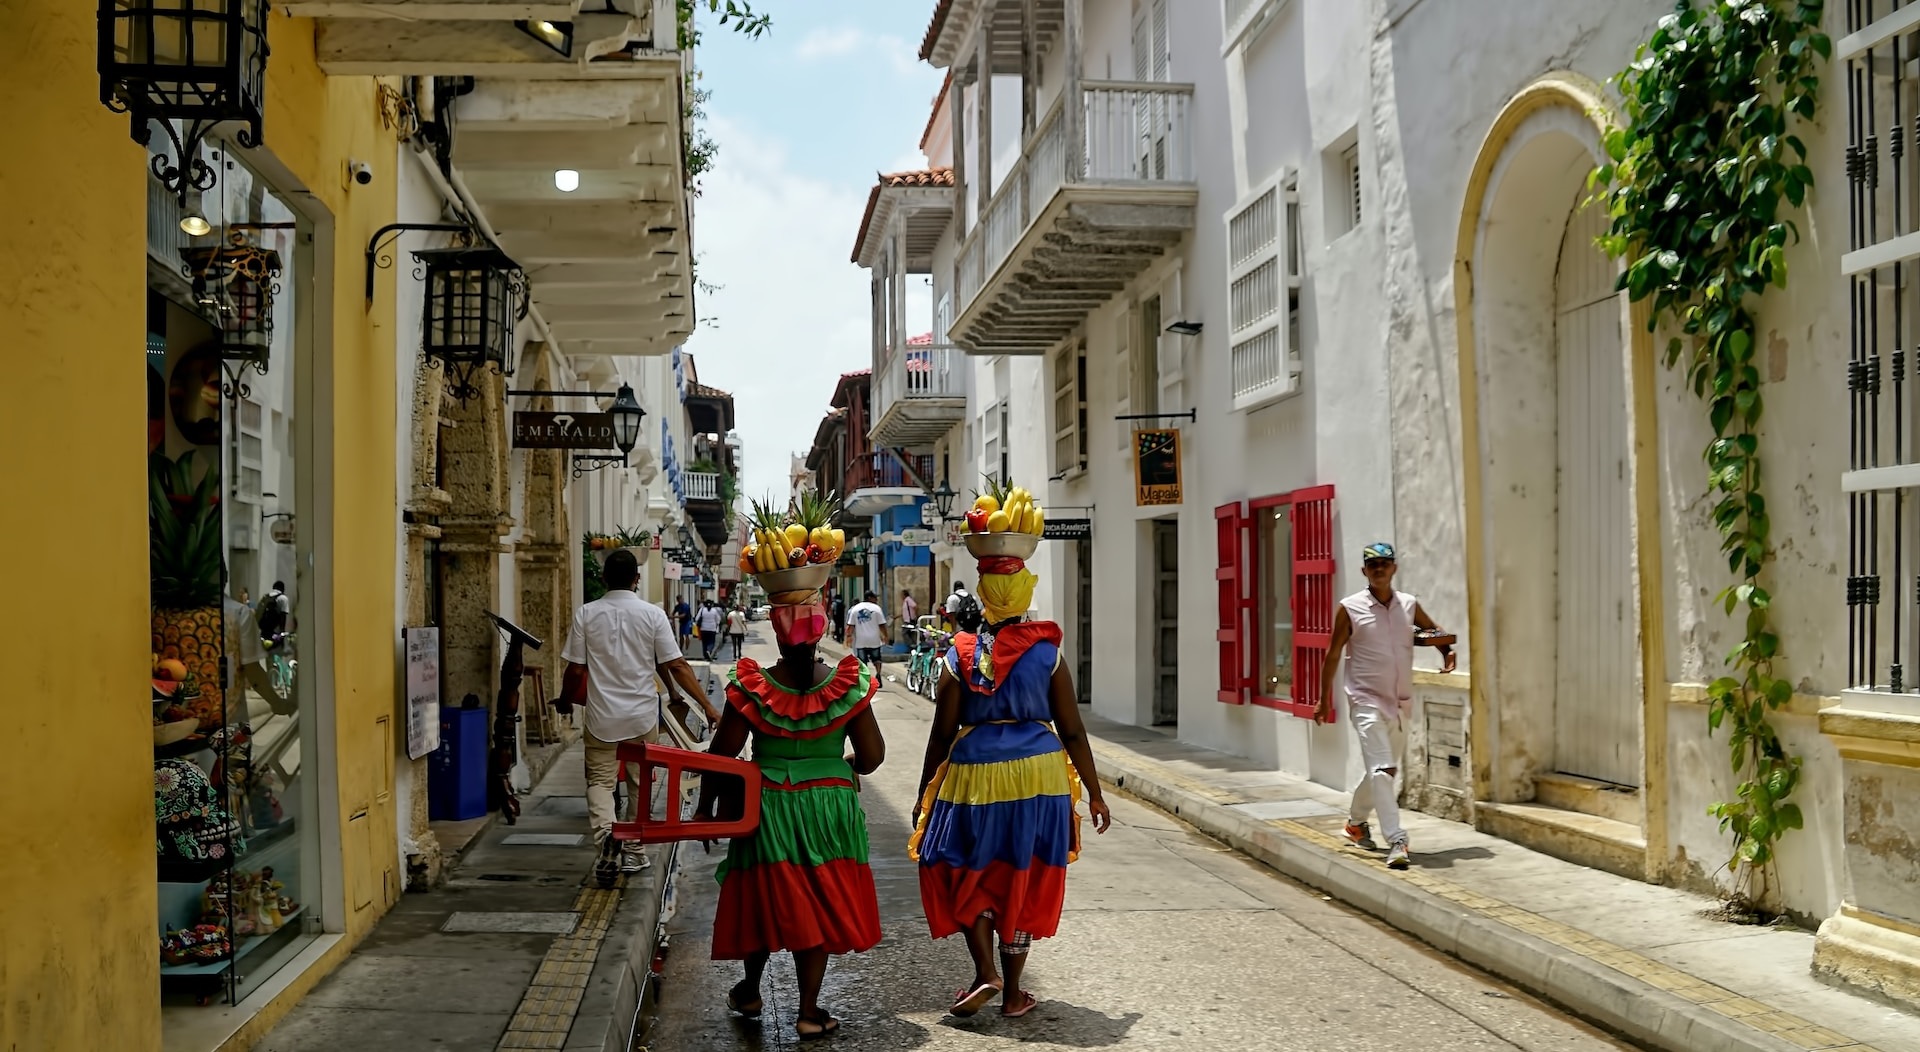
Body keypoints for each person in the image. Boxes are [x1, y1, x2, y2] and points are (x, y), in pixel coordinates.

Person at [911, 546, 1111, 1019]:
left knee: (961, 866)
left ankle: (986, 971)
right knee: (1023, 872)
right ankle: (1014, 993)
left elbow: (942, 732)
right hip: (1040, 774)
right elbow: (1073, 728)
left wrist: (924, 792)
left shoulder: (957, 654)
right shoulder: (1047, 654)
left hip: (972, 774)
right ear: (1023, 598)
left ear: (982, 598)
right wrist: (1096, 792)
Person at [702, 588, 885, 1040]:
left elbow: (722, 753)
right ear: (821, 633)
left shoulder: (752, 685)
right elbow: (872, 756)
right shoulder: (847, 683)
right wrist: (844, 766)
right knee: (818, 897)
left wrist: (706, 807)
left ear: (779, 637)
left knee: (767, 892)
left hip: (766, 803)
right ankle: (807, 1010)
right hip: (829, 805)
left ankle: (749, 988)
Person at [559, 549, 723, 885]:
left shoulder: (587, 614)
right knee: (638, 783)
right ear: (637, 579)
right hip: (641, 716)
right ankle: (633, 852)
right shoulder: (653, 615)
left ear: (604, 578)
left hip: (601, 717)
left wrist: (565, 701)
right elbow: (676, 665)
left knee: (600, 783)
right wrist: (707, 706)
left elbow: (575, 670)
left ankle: (608, 835)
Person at [1315, 542, 1455, 871]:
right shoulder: (1349, 608)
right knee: (1382, 770)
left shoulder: (1408, 604)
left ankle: (1355, 823)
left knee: (1383, 772)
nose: (1379, 568)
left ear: (1394, 569)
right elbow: (1333, 654)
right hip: (1365, 699)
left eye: (1385, 563)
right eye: (1372, 564)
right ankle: (1397, 840)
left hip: (1401, 702)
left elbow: (1432, 630)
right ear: (1364, 571)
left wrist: (1446, 651)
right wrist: (1323, 699)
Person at [845, 591, 888, 671]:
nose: (876, 600)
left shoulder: (855, 609)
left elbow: (850, 626)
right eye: (875, 598)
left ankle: (865, 678)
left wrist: (848, 636)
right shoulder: (877, 609)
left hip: (861, 641)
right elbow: (882, 625)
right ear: (869, 598)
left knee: (862, 662)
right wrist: (885, 636)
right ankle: (878, 674)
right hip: (874, 641)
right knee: (877, 660)